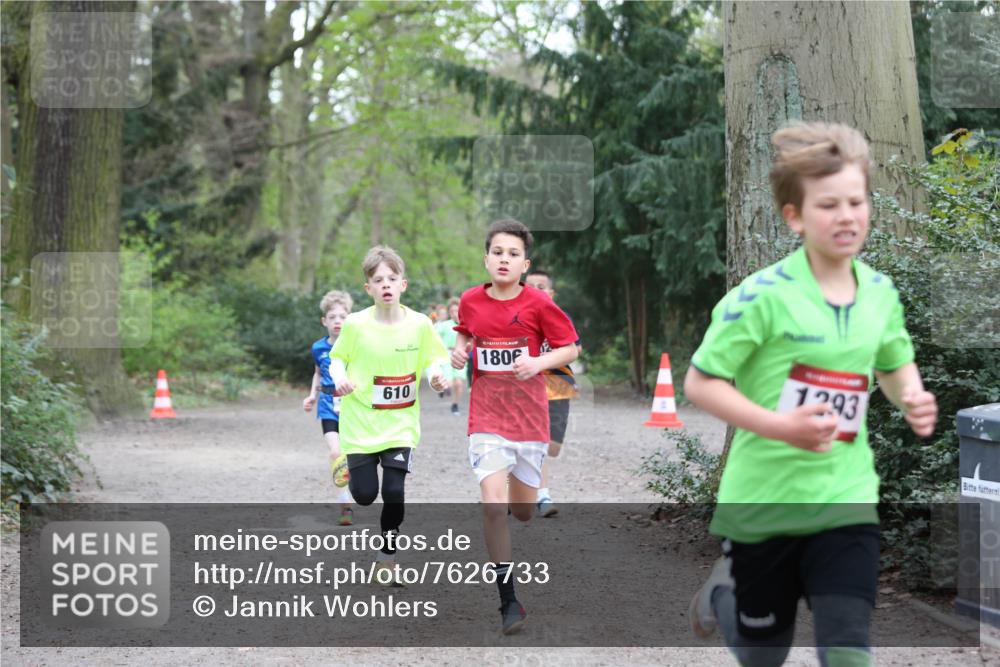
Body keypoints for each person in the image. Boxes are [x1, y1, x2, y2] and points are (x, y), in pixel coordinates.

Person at [683, 122, 938, 667]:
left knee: (848, 651)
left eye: (856, 201)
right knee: (762, 656)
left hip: (844, 499)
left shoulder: (879, 295)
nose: (847, 216)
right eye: (828, 205)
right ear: (794, 217)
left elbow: (893, 363)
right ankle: (721, 592)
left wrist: (911, 395)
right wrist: (781, 427)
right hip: (764, 504)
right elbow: (700, 383)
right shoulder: (759, 299)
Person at [451, 219, 579, 634]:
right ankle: (510, 601)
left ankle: (512, 498)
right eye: (497, 252)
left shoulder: (539, 304)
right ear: (486, 259)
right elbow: (466, 334)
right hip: (486, 415)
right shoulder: (470, 300)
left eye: (513, 254)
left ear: (525, 265)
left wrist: (538, 363)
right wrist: (459, 352)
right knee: (492, 504)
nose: (504, 259)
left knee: (521, 511)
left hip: (528, 419)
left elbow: (571, 347)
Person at [330, 246, 449, 584]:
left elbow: (433, 361)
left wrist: (437, 377)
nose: (386, 284)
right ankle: (346, 465)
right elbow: (338, 358)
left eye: (392, 278)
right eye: (378, 279)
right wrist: (340, 378)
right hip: (360, 423)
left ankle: (387, 558)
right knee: (365, 496)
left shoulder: (421, 324)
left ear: (403, 285)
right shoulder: (355, 324)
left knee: (394, 491)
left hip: (400, 423)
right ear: (368, 288)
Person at [525, 270, 582, 518]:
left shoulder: (561, 316)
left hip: (558, 385)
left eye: (541, 286)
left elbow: (576, 348)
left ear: (551, 293)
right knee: (532, 441)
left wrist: (548, 358)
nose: (536, 289)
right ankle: (541, 494)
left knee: (553, 446)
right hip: (526, 386)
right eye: (531, 286)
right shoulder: (518, 317)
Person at [303, 290, 355, 526]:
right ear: (324, 321)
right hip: (327, 405)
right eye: (332, 317)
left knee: (353, 456)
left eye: (342, 316)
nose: (337, 321)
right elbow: (317, 373)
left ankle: (355, 490)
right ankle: (345, 506)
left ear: (349, 319)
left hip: (353, 406)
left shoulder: (355, 346)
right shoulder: (318, 348)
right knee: (335, 453)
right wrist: (312, 396)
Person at [434, 297, 466, 415]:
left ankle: (455, 404)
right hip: (446, 356)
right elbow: (434, 337)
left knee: (459, 383)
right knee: (449, 383)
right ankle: (442, 388)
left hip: (461, 355)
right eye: (451, 311)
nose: (454, 313)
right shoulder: (444, 325)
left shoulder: (466, 324)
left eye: (456, 311)